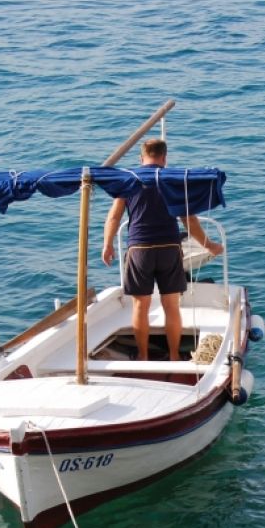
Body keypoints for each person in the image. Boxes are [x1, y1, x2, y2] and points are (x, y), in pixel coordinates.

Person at [101, 138, 223, 362]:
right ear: (165, 159)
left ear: (141, 158)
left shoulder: (128, 180)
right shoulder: (171, 181)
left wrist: (108, 244)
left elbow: (114, 216)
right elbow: (189, 221)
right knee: (171, 306)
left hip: (139, 249)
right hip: (168, 247)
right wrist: (210, 245)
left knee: (140, 305)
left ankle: (143, 356)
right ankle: (175, 356)